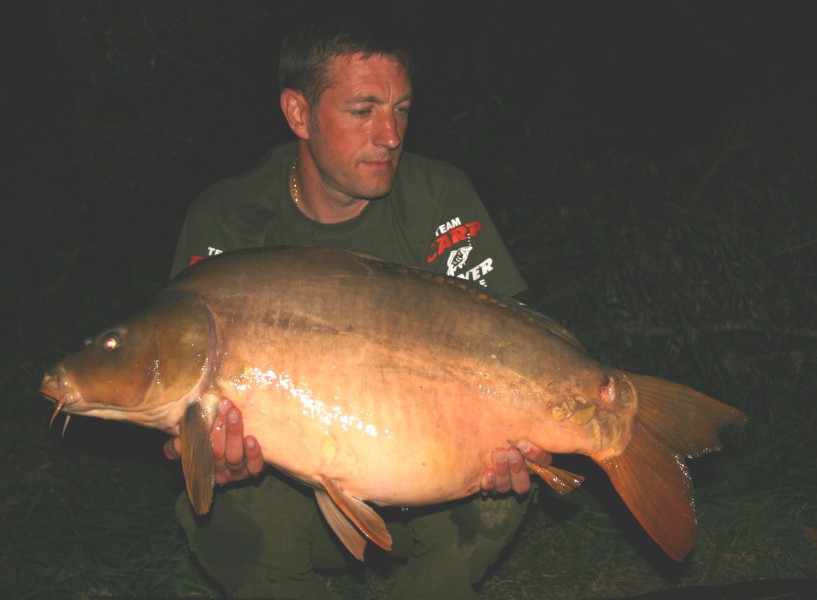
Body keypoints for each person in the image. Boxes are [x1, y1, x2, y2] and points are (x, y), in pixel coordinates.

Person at [164, 24, 552, 600]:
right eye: (363, 110)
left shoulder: (438, 196)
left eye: (400, 109)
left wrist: (522, 439)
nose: (390, 134)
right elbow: (180, 405)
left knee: (502, 495)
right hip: (292, 498)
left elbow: (514, 345)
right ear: (299, 113)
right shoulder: (228, 220)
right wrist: (207, 455)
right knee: (221, 512)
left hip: (431, 486)